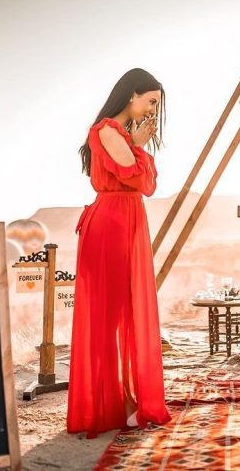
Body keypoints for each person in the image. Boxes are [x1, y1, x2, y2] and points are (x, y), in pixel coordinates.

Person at [67, 68, 171, 438]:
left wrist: (139, 147)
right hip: (112, 223)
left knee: (124, 309)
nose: (153, 109)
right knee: (110, 314)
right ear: (133, 95)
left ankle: (125, 398)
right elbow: (136, 177)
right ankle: (109, 404)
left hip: (125, 221)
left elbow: (147, 183)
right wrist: (139, 147)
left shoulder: (121, 134)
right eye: (152, 101)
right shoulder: (109, 130)